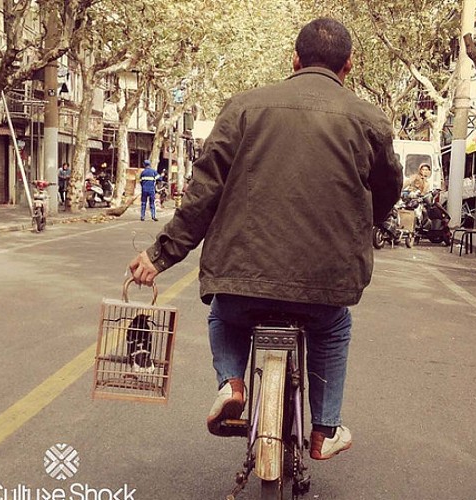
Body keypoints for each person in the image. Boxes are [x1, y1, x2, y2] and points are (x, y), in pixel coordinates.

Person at [128, 17, 402, 461]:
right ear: (349, 65)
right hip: (325, 284)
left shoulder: (243, 107)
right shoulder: (369, 119)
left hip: (241, 281)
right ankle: (325, 430)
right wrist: (361, 224)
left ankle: (231, 384)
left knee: (223, 313)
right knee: (333, 328)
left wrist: (160, 256)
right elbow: (388, 193)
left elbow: (204, 193)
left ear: (293, 60)